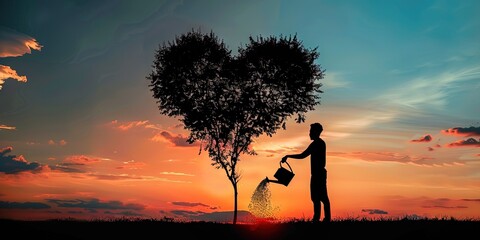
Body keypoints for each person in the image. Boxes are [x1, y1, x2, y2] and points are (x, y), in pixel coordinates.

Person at [281, 122, 331, 223]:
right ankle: (320, 218)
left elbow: (302, 155)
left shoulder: (317, 144)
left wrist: (288, 156)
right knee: (317, 197)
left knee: (321, 197)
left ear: (316, 132)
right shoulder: (319, 143)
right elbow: (303, 155)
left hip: (318, 174)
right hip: (318, 174)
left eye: (311, 131)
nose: (309, 133)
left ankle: (322, 219)